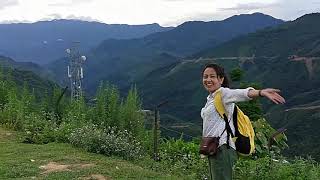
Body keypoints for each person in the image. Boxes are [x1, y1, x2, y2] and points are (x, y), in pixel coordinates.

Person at [201, 63, 285, 180]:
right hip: (213, 148)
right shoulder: (211, 98)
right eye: (205, 76)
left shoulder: (223, 94)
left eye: (212, 76)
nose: (208, 80)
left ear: (221, 79)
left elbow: (242, 93)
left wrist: (261, 92)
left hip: (223, 149)